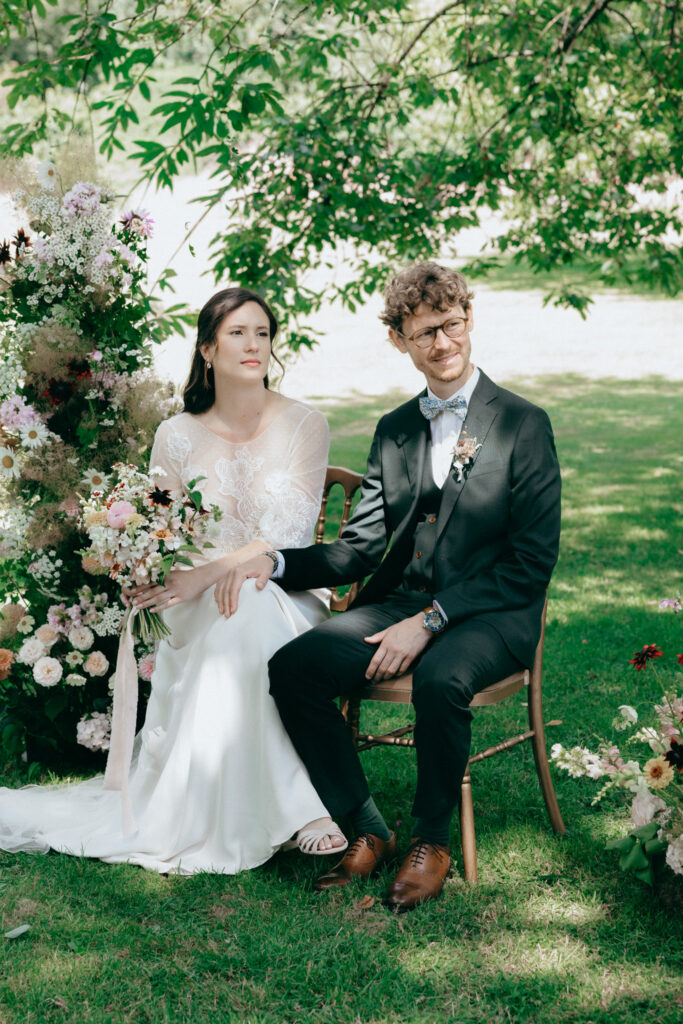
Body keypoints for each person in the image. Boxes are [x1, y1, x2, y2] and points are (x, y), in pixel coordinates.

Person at [219, 263, 562, 910]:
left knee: (441, 678)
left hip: (494, 612)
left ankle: (431, 842)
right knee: (294, 667)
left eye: (451, 325)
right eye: (425, 332)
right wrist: (277, 563)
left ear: (469, 318)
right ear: (399, 339)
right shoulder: (395, 429)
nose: (443, 343)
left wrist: (431, 620)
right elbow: (359, 548)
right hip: (401, 602)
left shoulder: (523, 423)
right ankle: (366, 826)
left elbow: (530, 561)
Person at [0, 287, 347, 873]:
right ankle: (300, 810)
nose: (254, 345)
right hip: (195, 601)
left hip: (284, 592)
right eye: (238, 333)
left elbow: (285, 538)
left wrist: (213, 574)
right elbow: (163, 533)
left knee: (250, 605)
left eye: (263, 333)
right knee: (235, 612)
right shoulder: (176, 435)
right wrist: (144, 566)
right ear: (208, 349)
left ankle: (295, 808)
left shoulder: (305, 425)